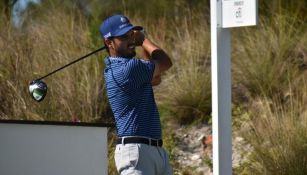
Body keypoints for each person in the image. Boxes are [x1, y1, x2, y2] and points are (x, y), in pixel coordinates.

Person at [100, 14, 173, 175]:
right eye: (124, 37)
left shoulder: (123, 68)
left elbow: (155, 79)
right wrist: (143, 41)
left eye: (131, 35)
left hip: (153, 151)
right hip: (137, 153)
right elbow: (165, 62)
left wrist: (139, 44)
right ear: (109, 42)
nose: (130, 40)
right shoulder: (128, 70)